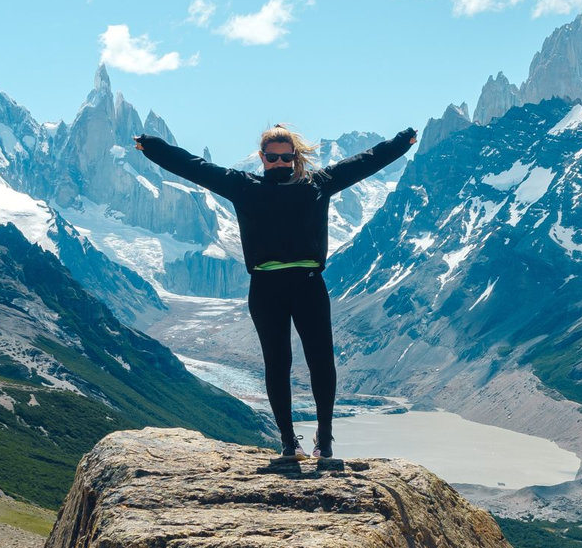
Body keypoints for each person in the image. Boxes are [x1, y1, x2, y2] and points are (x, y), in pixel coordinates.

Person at [134, 124, 417, 459]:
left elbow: (362, 163)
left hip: (308, 283)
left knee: (321, 361)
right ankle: (288, 441)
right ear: (262, 157)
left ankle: (323, 440)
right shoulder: (243, 186)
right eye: (273, 157)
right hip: (266, 287)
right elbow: (194, 166)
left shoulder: (316, 184)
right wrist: (153, 147)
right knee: (277, 364)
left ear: (295, 156)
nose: (280, 163)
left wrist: (401, 143)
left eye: (286, 157)